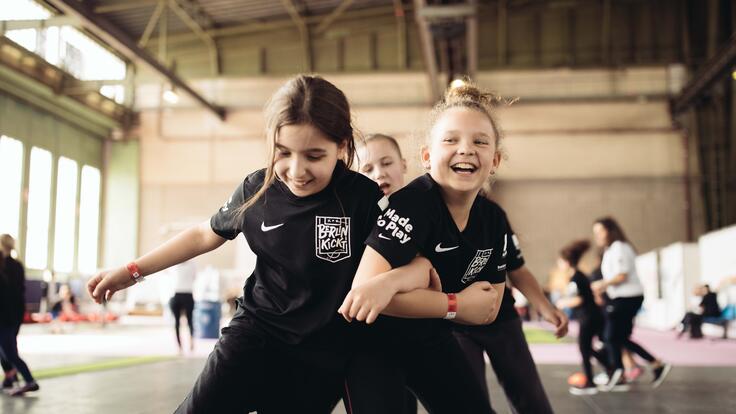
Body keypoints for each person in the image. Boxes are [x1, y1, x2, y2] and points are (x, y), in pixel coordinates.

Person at [87, 75, 432, 413]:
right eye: (283, 153)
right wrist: (132, 271)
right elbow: (203, 234)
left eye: (314, 156)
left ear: (341, 147)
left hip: (323, 352)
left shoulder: (362, 198)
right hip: (256, 332)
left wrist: (418, 293)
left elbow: (416, 262)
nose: (296, 170)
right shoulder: (257, 189)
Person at [340, 82, 565, 413]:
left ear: (495, 160)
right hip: (379, 343)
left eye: (480, 141)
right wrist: (452, 302)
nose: (466, 149)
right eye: (451, 140)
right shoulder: (411, 205)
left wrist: (406, 282)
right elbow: (365, 295)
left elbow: (489, 304)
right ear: (427, 157)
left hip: (433, 335)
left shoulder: (490, 219)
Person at [591, 217, 672, 391]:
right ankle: (655, 363)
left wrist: (601, 285)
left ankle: (618, 372)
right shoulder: (610, 250)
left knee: (611, 336)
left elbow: (622, 276)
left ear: (609, 230)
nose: (597, 236)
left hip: (627, 297)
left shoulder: (620, 247)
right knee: (619, 337)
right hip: (620, 297)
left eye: (600, 231)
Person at [555, 239, 609, 395]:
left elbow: (579, 299)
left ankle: (590, 382)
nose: (559, 265)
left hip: (589, 317)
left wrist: (562, 302)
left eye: (560, 262)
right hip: (592, 316)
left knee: (584, 348)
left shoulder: (576, 278)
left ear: (566, 262)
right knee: (587, 348)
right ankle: (610, 368)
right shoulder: (578, 276)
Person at [0, 234, 39, 396]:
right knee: (4, 347)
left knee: (9, 350)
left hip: (6, 315)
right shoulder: (17, 265)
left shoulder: (5, 266)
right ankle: (10, 377)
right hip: (14, 313)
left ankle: (29, 380)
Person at [169, 260, 197, 352]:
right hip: (182, 293)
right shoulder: (192, 264)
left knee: (184, 321)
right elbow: (194, 277)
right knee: (186, 321)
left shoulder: (177, 264)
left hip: (182, 292)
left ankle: (185, 344)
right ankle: (181, 345)